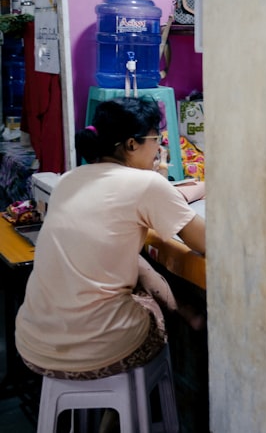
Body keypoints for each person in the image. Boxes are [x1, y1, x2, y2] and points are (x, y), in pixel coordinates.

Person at [15, 96, 206, 380]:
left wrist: (198, 186)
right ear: (132, 144)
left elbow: (158, 196)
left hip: (33, 346)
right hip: (95, 353)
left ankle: (187, 313)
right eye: (157, 138)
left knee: (136, 262)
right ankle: (121, 415)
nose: (160, 147)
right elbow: (208, 243)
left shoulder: (71, 179)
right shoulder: (146, 185)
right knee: (149, 303)